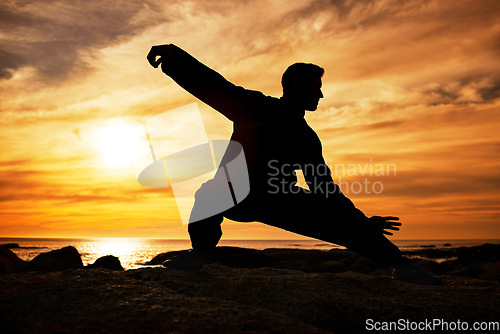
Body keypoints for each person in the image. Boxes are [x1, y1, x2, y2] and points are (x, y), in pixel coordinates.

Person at [147, 44, 440, 285]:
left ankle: (402, 266)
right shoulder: (255, 107)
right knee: (209, 193)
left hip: (279, 200)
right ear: (297, 85)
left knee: (340, 221)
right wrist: (175, 57)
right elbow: (216, 86)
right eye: (316, 87)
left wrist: (362, 222)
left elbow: (324, 189)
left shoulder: (307, 138)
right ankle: (197, 255)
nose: (321, 94)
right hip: (237, 196)